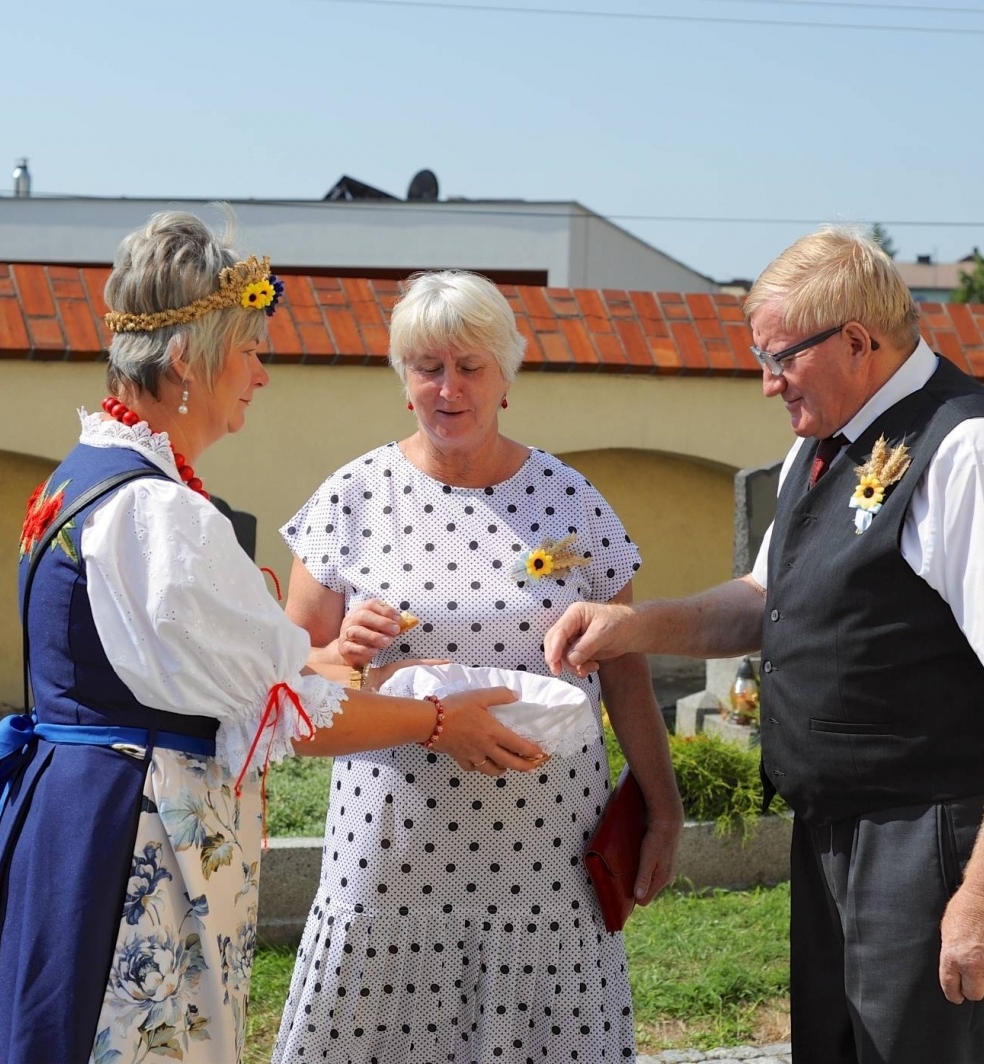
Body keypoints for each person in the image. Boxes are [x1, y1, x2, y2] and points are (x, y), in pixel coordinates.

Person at [0, 214, 545, 1064]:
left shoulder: (88, 476)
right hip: (131, 843)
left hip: (73, 809)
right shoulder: (161, 516)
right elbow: (295, 715)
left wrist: (349, 662)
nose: (262, 374)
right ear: (185, 362)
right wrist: (437, 723)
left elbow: (228, 675)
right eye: (248, 349)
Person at [544, 228, 984, 1064]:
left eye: (778, 357)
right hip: (835, 826)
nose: (765, 383)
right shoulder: (825, 438)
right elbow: (765, 599)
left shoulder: (971, 451)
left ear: (857, 343)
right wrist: (637, 626)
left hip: (929, 834)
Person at [271, 270, 684, 1063]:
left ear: (506, 379)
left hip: (545, 858)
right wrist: (346, 654)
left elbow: (627, 672)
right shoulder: (351, 500)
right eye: (428, 367)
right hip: (392, 851)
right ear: (403, 382)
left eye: (470, 367)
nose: (448, 388)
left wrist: (663, 807)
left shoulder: (574, 503)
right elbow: (289, 683)